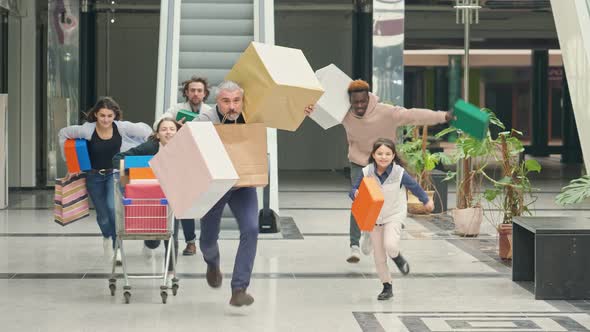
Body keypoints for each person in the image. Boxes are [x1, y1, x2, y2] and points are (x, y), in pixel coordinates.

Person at [193, 80, 312, 307]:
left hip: (243, 185)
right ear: (217, 101)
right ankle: (212, 262)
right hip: (215, 186)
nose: (232, 106)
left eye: (236, 100)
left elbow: (283, 117)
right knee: (208, 238)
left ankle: (239, 288)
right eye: (226, 101)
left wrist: (302, 111)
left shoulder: (252, 116)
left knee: (251, 228)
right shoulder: (205, 120)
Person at [342, 79, 452, 263]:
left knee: (383, 202)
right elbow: (321, 112)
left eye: (363, 101)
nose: (359, 106)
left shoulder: (386, 112)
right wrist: (309, 109)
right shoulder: (345, 114)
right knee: (360, 200)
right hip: (359, 162)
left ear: (369, 98)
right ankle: (354, 245)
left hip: (383, 161)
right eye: (355, 102)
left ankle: (370, 230)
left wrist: (443, 116)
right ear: (350, 101)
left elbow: (414, 115)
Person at [58, 97, 152, 263]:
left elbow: (147, 131)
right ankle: (106, 237)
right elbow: (63, 133)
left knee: (113, 208)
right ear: (96, 115)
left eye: (110, 115)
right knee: (102, 215)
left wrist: (147, 151)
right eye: (102, 116)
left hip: (118, 172)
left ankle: (118, 248)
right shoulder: (87, 130)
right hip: (93, 175)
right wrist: (72, 163)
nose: (106, 119)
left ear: (115, 115)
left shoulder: (122, 127)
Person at [351, 138, 433, 300]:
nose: (383, 157)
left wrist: (426, 200)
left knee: (390, 244)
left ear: (393, 155)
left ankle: (397, 257)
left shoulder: (399, 173)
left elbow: (414, 187)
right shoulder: (366, 171)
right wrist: (355, 193)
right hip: (374, 216)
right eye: (380, 153)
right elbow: (354, 189)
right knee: (379, 257)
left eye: (388, 154)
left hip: (394, 214)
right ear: (373, 155)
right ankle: (387, 287)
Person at [112, 118, 182, 282]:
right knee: (153, 239)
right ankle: (149, 245)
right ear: (157, 135)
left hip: (173, 196)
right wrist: (132, 178)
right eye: (164, 129)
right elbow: (118, 159)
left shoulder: (184, 150)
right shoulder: (150, 147)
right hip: (151, 196)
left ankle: (170, 272)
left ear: (178, 133)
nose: (168, 132)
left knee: (172, 234)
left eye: (172, 129)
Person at [154, 76, 212, 256]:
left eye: (199, 91)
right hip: (175, 158)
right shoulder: (176, 109)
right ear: (186, 92)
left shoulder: (209, 111)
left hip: (196, 160)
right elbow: (158, 125)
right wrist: (174, 126)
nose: (195, 94)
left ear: (204, 94)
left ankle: (190, 241)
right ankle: (168, 238)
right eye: (192, 90)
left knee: (187, 203)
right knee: (175, 201)